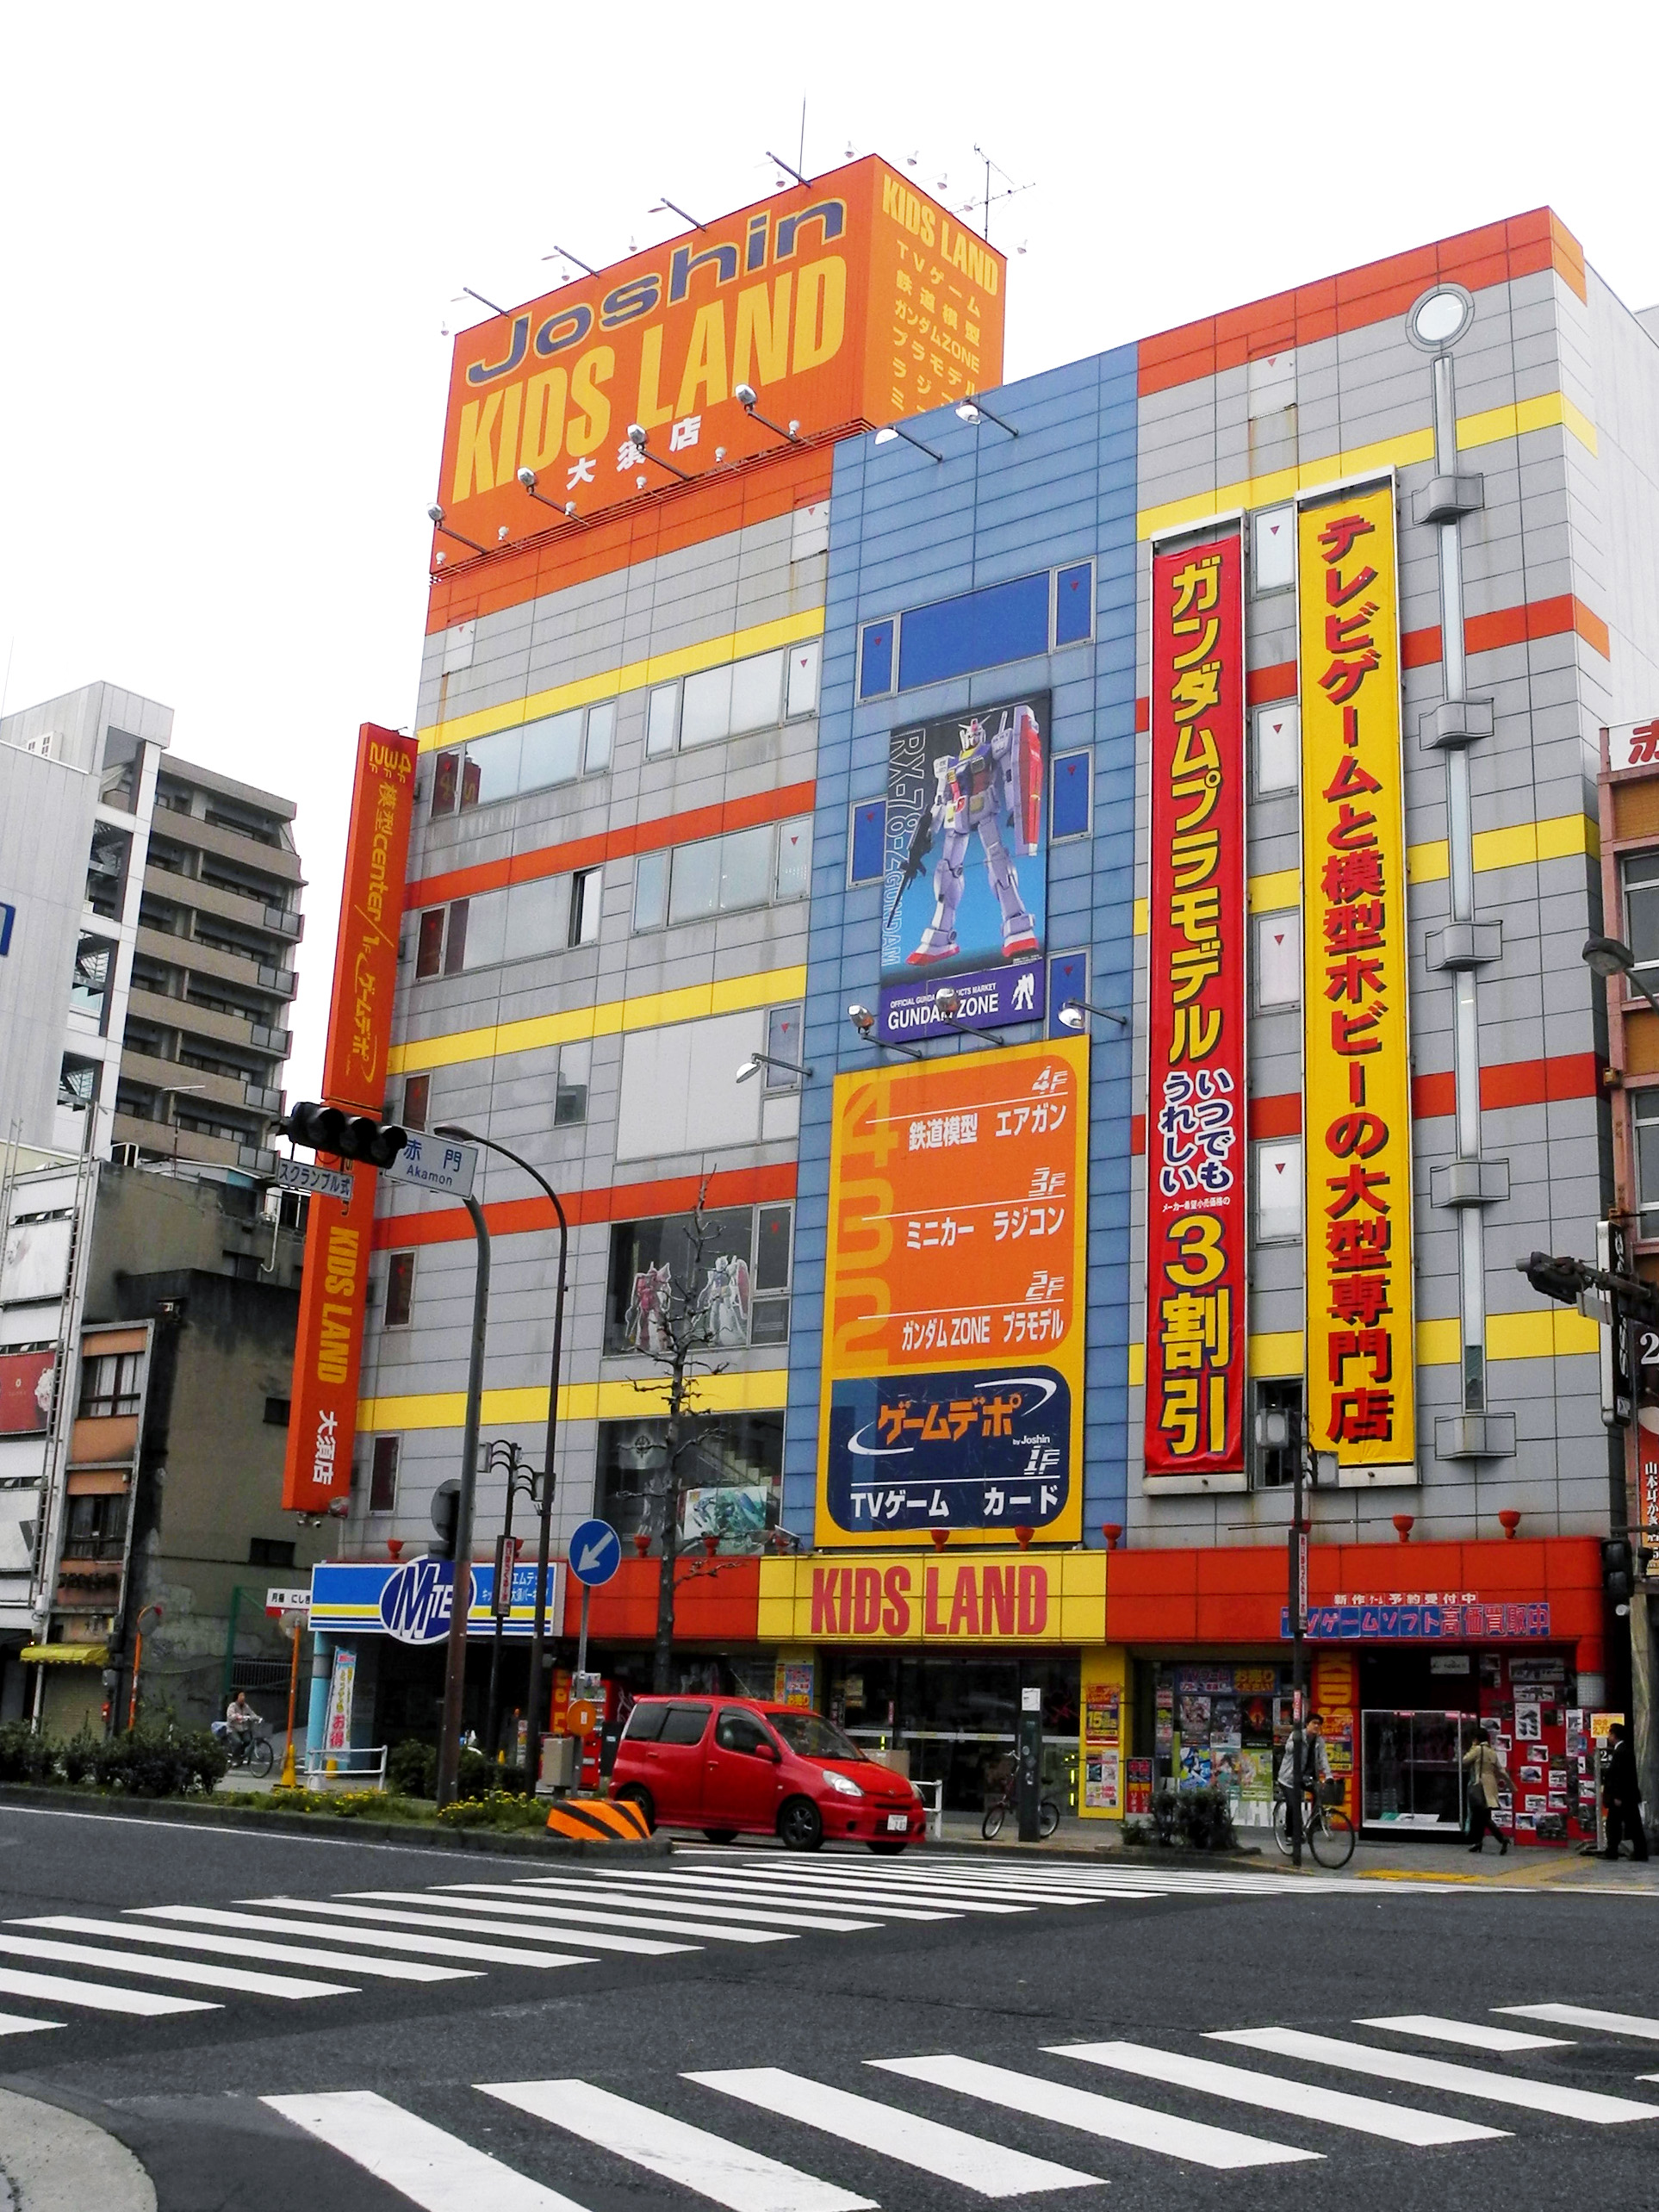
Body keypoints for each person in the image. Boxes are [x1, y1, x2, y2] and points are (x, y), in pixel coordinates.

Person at [1602, 1722, 1650, 1861]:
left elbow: (1621, 1776)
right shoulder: (1624, 1750)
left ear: (1614, 1735)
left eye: (1610, 1734)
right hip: (1628, 1796)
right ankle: (1638, 1852)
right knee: (1631, 1824)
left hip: (1622, 1797)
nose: (1608, 1737)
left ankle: (1613, 1851)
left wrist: (1617, 1796)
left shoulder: (1621, 1752)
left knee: (1616, 1825)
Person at [1462, 1724, 1512, 1855]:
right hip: (1491, 1786)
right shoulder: (1492, 1752)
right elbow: (1501, 1770)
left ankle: (1502, 1839)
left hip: (1479, 1785)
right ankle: (1478, 1842)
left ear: (1476, 1739)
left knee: (1482, 1817)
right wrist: (1511, 1785)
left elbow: (1465, 1760)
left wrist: (1473, 1746)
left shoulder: (1477, 1750)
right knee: (1483, 1815)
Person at [1277, 1712, 1333, 1822]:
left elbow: (1323, 1759)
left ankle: (1315, 1822)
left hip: (1305, 1777)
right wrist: (1297, 1741)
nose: (1316, 1726)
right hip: (1288, 1778)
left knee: (1318, 1792)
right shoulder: (1297, 1735)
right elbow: (1288, 1749)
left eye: (1319, 1724)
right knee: (1293, 1805)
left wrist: (1329, 1775)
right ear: (1307, 1724)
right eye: (1314, 1723)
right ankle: (1289, 1830)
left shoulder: (1319, 1741)